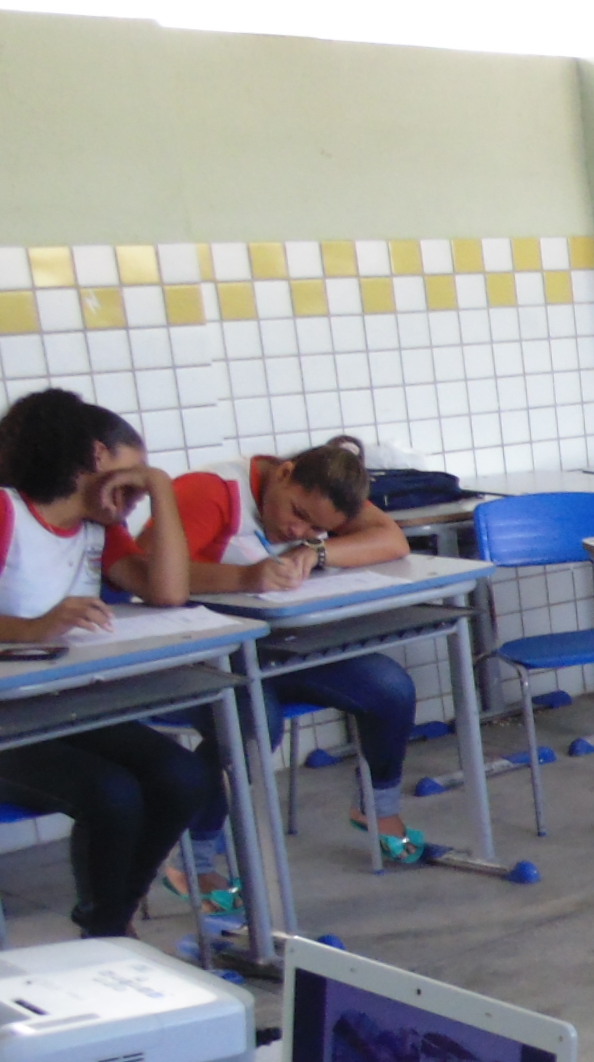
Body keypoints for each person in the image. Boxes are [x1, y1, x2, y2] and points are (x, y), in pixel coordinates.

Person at [101, 434, 424, 875]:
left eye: (315, 528)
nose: (297, 531)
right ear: (284, 473)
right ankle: (194, 857)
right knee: (254, 721)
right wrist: (245, 577)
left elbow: (393, 541)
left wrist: (317, 550)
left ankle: (375, 808)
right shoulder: (212, 490)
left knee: (390, 688)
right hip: (200, 653)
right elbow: (149, 574)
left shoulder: (325, 499)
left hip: (273, 646)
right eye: (298, 515)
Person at [0, 389, 220, 939]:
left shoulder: (99, 527)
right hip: (9, 723)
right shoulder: (7, 512)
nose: (135, 490)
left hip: (63, 706)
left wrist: (162, 490)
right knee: (113, 794)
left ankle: (111, 921)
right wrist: (32, 628)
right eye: (132, 472)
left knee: (182, 775)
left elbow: (168, 593)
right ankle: (106, 932)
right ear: (96, 458)